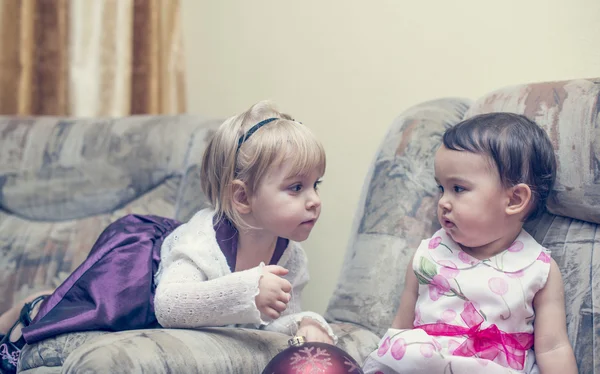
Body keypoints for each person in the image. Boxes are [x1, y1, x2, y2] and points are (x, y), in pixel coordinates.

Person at [9, 101, 334, 362]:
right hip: (136, 279)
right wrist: (248, 290)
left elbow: (274, 320)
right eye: (296, 187)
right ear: (243, 197)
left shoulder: (292, 255)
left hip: (180, 297)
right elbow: (168, 305)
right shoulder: (202, 242)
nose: (314, 201)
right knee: (71, 310)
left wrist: (304, 323)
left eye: (315, 185)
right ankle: (22, 307)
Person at [362, 113, 577, 373]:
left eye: (459, 189)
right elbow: (400, 330)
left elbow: (553, 348)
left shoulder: (539, 270)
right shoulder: (429, 256)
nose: (443, 202)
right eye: (441, 188)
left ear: (514, 200)